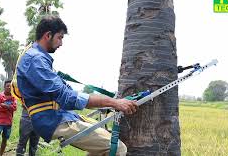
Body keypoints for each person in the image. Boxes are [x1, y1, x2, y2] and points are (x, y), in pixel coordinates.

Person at [16, 16, 138, 156]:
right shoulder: (35, 59)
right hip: (53, 121)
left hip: (60, 117)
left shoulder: (38, 58)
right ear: (47, 35)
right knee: (116, 148)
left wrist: (110, 103)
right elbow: (67, 97)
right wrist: (114, 102)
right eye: (59, 37)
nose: (61, 43)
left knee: (99, 149)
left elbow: (67, 90)